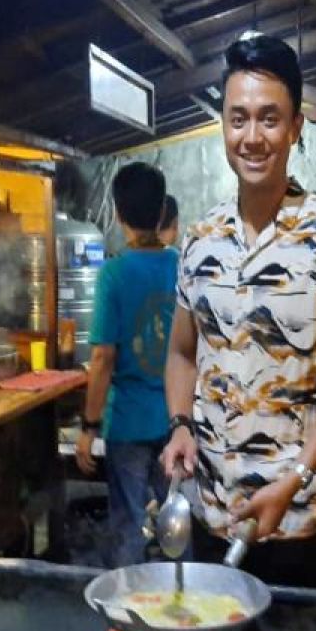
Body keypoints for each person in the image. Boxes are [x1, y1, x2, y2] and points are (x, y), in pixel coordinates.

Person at [160, 33, 316, 587]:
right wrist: (180, 425)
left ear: (296, 127)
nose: (252, 137)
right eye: (238, 119)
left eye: (269, 119)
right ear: (223, 127)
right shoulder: (200, 239)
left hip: (295, 519)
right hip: (211, 513)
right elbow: (184, 353)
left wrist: (298, 477)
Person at [76, 162, 178, 567]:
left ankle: (128, 619)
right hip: (176, 421)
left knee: (128, 524)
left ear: (118, 214)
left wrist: (88, 427)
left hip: (129, 425)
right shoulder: (182, 266)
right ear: (161, 214)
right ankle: (184, 615)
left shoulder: (113, 274)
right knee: (176, 523)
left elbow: (102, 358)